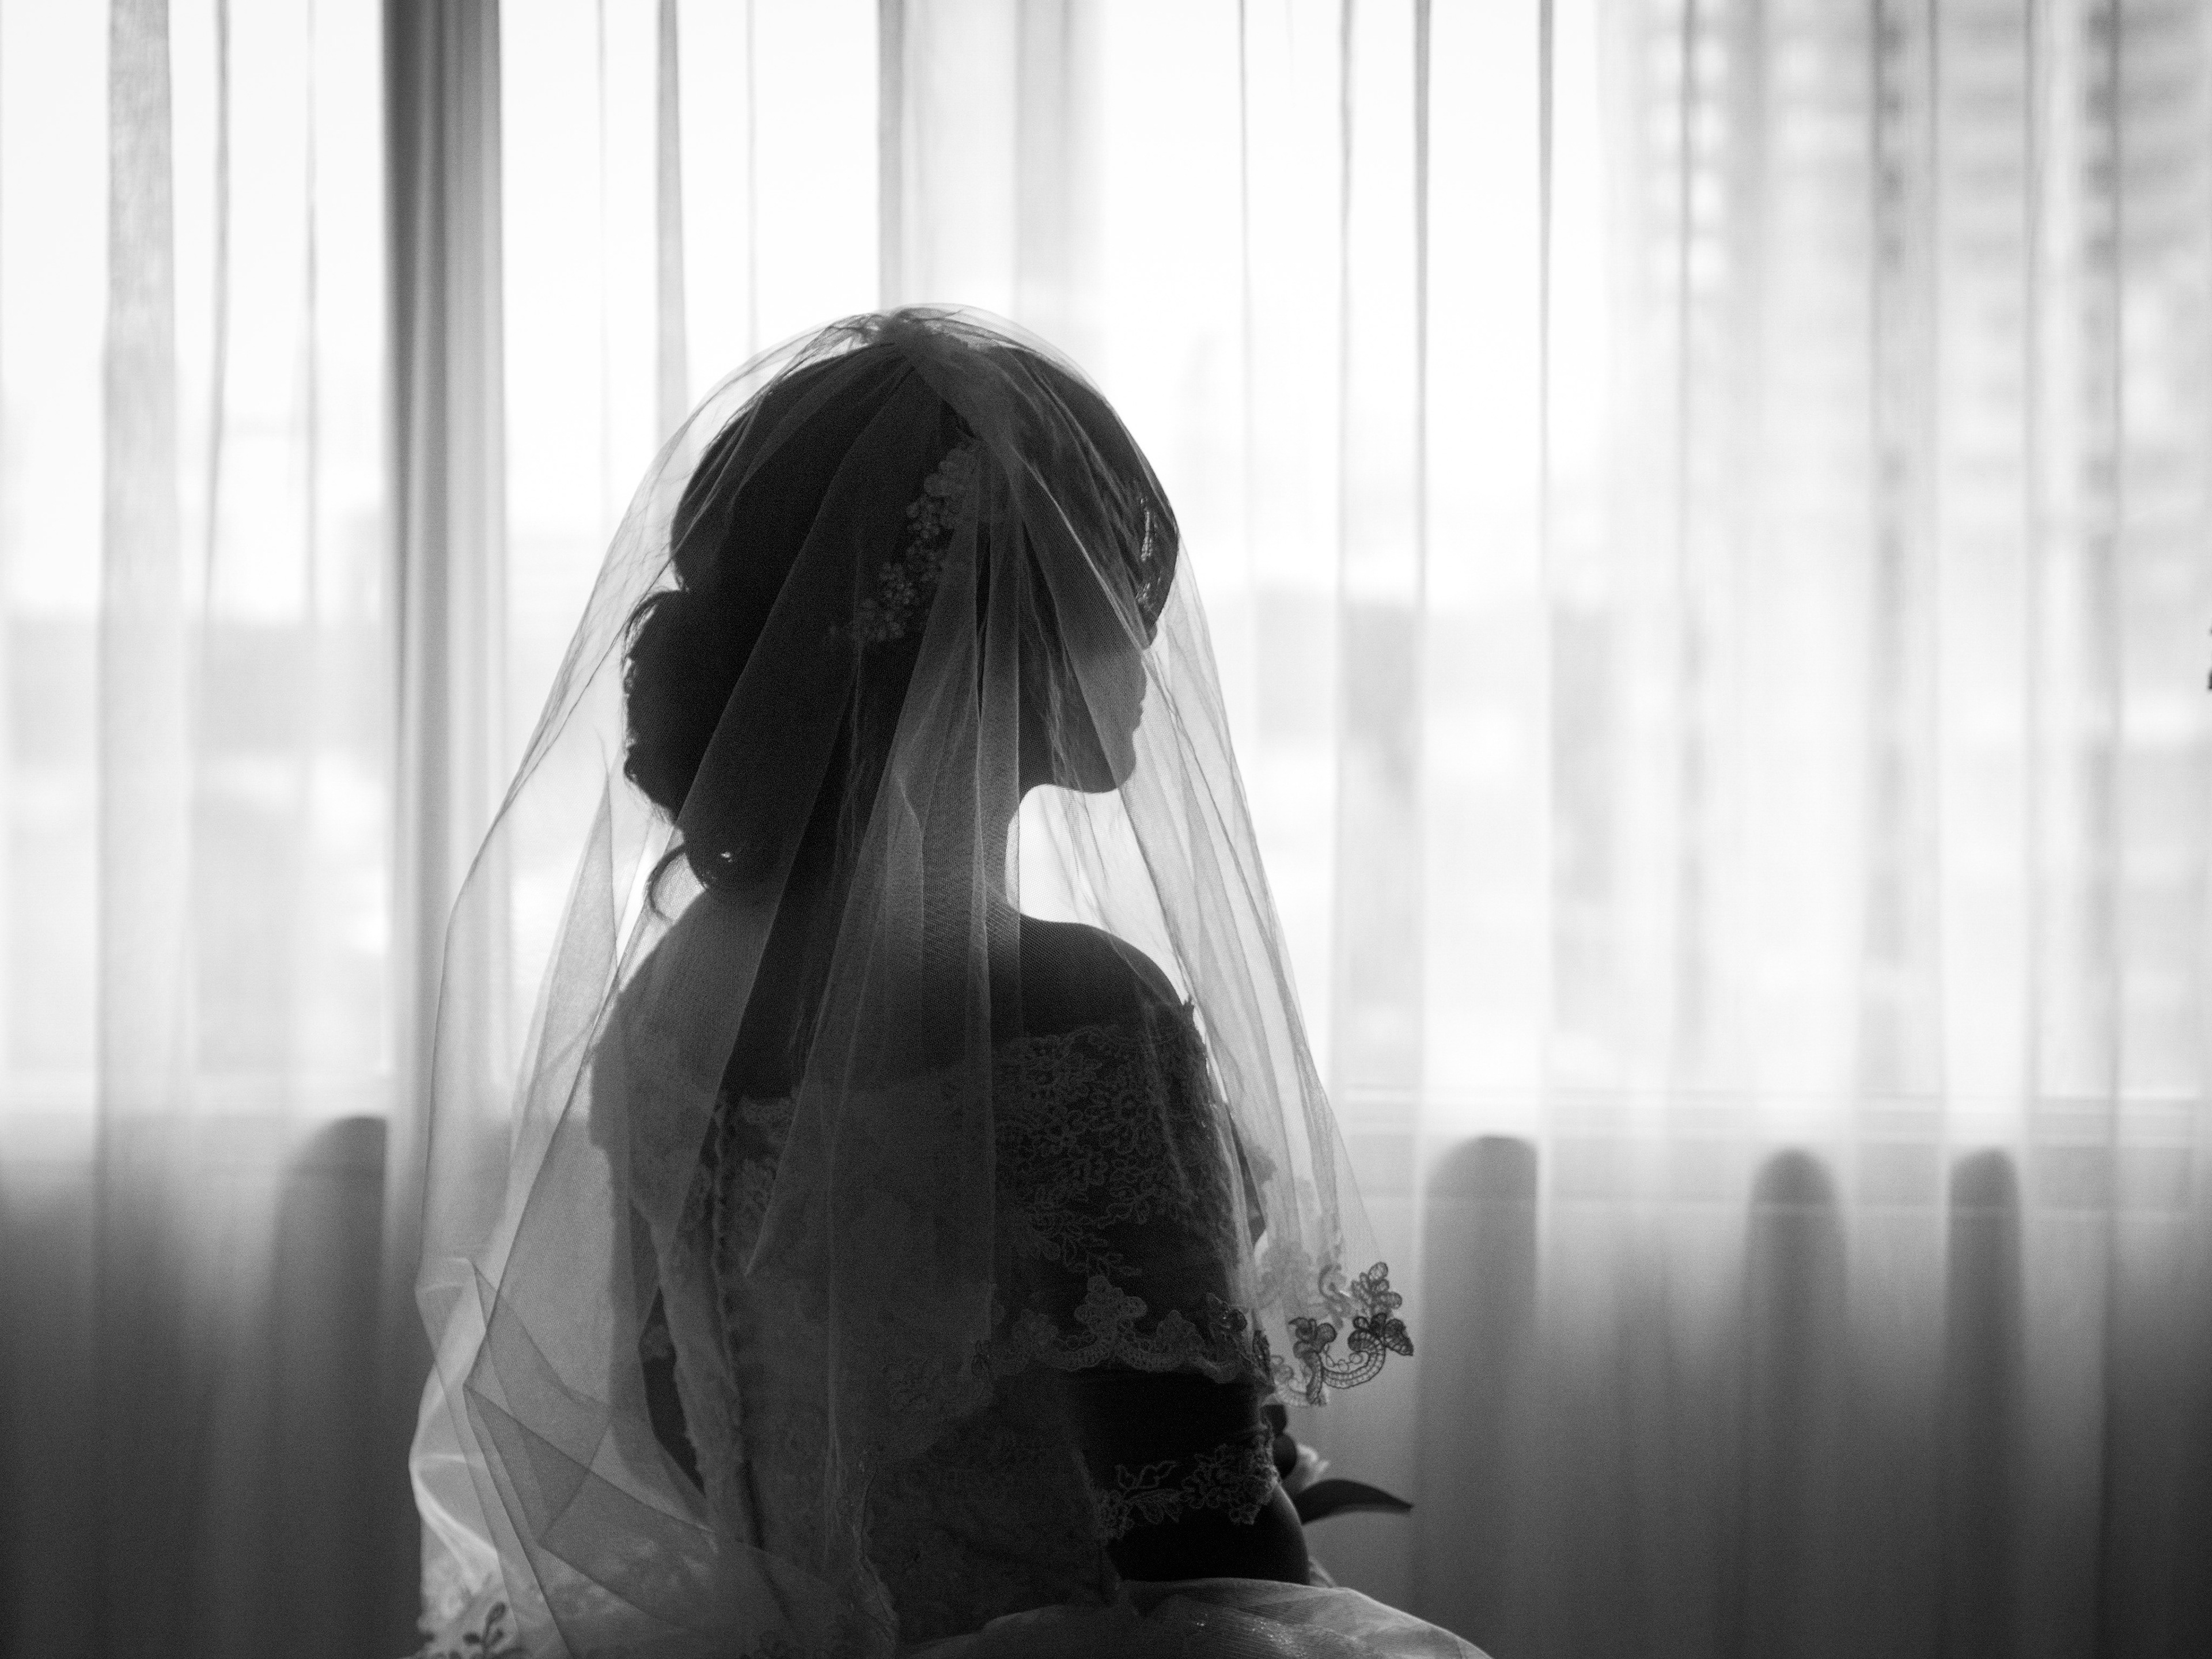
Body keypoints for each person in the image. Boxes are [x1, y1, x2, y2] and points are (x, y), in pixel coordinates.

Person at [408, 308, 1485, 1658]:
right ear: (993, 627)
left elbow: (677, 1423)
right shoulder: (1078, 1015)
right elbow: (1200, 1526)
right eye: (1119, 604)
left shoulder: (672, 1000)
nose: (1147, 663)